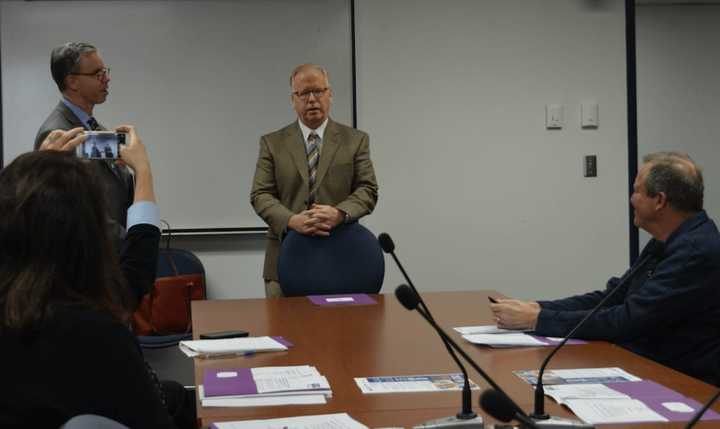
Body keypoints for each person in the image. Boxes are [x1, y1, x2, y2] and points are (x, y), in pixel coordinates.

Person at [0, 127, 186, 427]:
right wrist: (144, 172)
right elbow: (134, 274)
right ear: (89, 234)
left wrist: (37, 175)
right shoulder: (95, 333)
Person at [490, 152, 720, 386]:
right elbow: (611, 297)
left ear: (659, 201)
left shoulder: (695, 251)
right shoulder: (668, 240)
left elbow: (628, 319)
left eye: (637, 191)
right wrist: (538, 308)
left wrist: (539, 320)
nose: (631, 199)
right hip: (646, 367)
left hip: (686, 386)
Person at [250, 63, 379, 297]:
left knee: (345, 333)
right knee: (284, 331)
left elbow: (368, 190)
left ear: (330, 95)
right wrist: (292, 220)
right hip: (284, 260)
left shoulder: (355, 140)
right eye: (303, 93)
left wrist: (339, 213)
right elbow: (260, 195)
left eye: (318, 91)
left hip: (343, 259)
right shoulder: (272, 143)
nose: (312, 99)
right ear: (293, 99)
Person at [34, 42, 133, 231]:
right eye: (98, 74)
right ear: (73, 82)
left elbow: (118, 184)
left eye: (105, 71)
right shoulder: (57, 133)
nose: (107, 79)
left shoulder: (98, 129)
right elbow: (74, 212)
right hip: (92, 252)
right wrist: (130, 244)